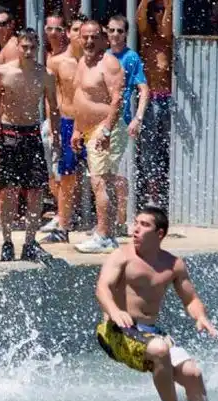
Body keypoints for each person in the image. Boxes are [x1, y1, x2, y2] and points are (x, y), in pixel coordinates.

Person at [94, 206, 218, 401]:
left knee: (193, 373)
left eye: (144, 225)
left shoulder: (173, 265)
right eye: (136, 223)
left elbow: (191, 299)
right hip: (116, 331)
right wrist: (115, 311)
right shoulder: (121, 256)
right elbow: (102, 288)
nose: (136, 229)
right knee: (160, 349)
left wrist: (201, 317)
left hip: (150, 333)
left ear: (159, 233)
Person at [0, 28, 60, 262]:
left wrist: (56, 138)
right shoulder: (3, 72)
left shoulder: (46, 75)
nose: (28, 51)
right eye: (24, 47)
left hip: (32, 134)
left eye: (32, 47)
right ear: (18, 47)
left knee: (36, 191)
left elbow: (54, 108)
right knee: (9, 191)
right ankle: (7, 241)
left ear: (38, 47)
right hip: (9, 134)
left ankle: (30, 242)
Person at [70, 20, 124, 254]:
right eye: (86, 37)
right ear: (79, 39)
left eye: (94, 37)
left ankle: (104, 235)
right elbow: (81, 97)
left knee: (100, 182)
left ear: (103, 39)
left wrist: (107, 130)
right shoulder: (82, 62)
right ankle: (107, 234)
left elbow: (117, 100)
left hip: (106, 129)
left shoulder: (109, 63)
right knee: (102, 182)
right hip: (89, 129)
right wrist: (77, 129)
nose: (90, 41)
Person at [40, 14, 85, 243]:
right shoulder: (56, 62)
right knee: (64, 175)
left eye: (83, 31)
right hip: (66, 122)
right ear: (68, 32)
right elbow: (52, 97)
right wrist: (52, 124)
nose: (80, 35)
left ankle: (105, 227)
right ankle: (63, 223)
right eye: (76, 30)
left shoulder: (96, 62)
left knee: (99, 176)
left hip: (90, 124)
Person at [106, 15, 150, 237]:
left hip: (121, 122)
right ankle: (107, 221)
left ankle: (120, 221)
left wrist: (138, 118)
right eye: (112, 30)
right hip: (101, 122)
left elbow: (144, 89)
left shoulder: (131, 57)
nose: (115, 35)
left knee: (117, 175)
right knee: (103, 174)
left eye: (120, 31)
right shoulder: (103, 56)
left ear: (126, 33)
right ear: (106, 32)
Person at [137, 0, 173, 211]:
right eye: (156, 10)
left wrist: (168, 7)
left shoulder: (168, 41)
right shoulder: (147, 38)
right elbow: (139, 17)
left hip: (168, 99)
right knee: (150, 149)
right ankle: (153, 195)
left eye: (162, 10)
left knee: (168, 147)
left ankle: (168, 193)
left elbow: (167, 28)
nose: (160, 13)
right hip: (150, 99)